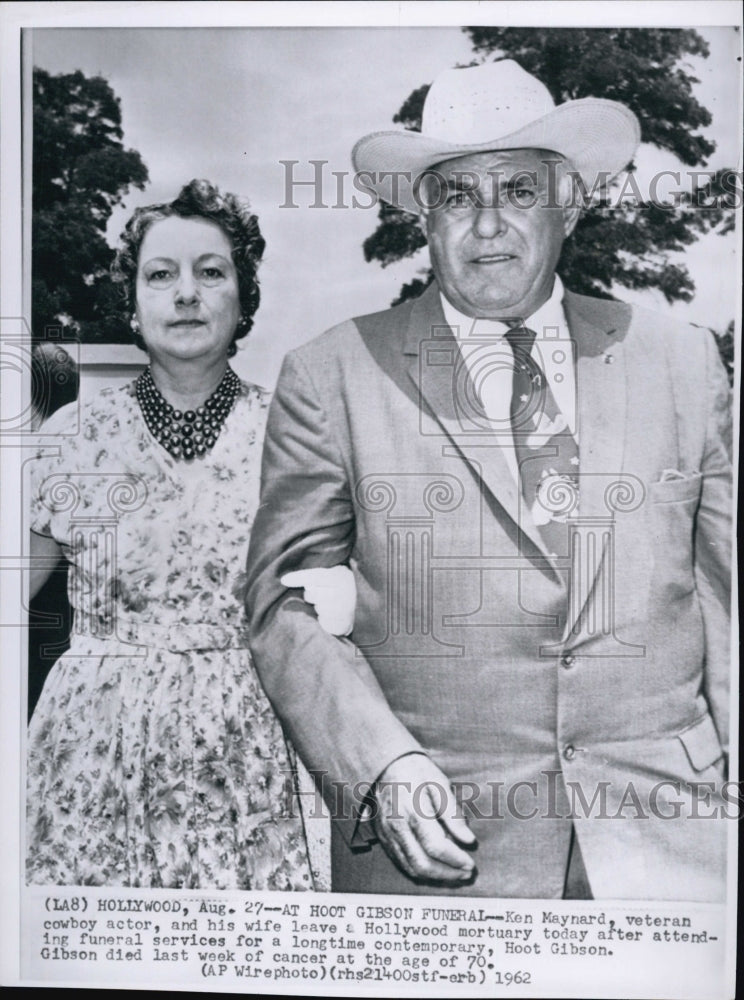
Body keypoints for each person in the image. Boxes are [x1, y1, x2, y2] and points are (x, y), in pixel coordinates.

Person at [245, 61, 733, 900]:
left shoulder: (683, 360)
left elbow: (727, 593)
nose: (487, 226)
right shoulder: (331, 374)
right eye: (457, 197)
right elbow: (281, 606)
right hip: (443, 860)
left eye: (516, 189)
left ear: (569, 205)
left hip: (671, 849)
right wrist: (379, 761)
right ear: (423, 218)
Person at [26, 178, 347, 889]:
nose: (186, 293)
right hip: (91, 755)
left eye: (211, 272)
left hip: (247, 754)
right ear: (133, 307)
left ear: (244, 300)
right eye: (161, 275)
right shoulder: (72, 437)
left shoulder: (293, 434)